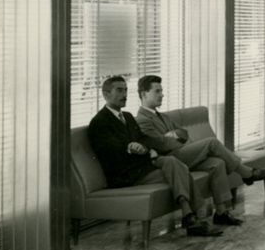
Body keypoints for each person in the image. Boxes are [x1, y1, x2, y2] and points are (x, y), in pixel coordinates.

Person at [87, 76, 222, 237]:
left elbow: (143, 139)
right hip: (126, 174)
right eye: (119, 90)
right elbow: (108, 151)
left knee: (173, 162)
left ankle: (190, 215)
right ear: (106, 94)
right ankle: (193, 216)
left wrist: (151, 147)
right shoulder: (99, 122)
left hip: (143, 165)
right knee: (179, 168)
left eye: (125, 90)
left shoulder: (128, 117)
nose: (124, 94)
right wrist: (129, 148)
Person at [134, 74, 265, 221]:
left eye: (161, 91)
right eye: (157, 91)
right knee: (212, 142)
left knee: (218, 163)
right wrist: (172, 137)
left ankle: (221, 212)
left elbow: (184, 134)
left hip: (181, 154)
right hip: (171, 160)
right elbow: (161, 144)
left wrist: (172, 136)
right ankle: (246, 173)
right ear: (143, 94)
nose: (162, 94)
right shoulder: (142, 120)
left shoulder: (163, 116)